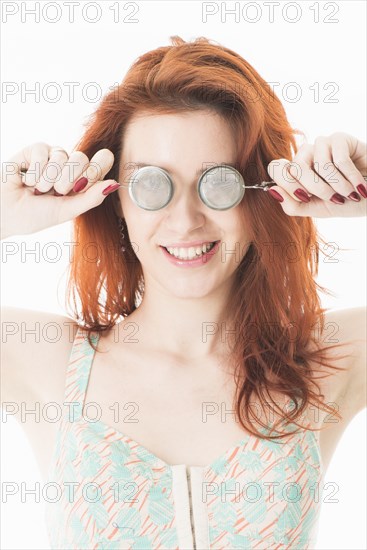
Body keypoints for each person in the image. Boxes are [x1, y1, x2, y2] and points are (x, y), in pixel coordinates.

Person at [1, 35, 366, 550]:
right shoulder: (42, 359)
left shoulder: (330, 358)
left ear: (260, 195)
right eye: (153, 184)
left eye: (218, 183)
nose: (186, 220)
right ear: (115, 200)